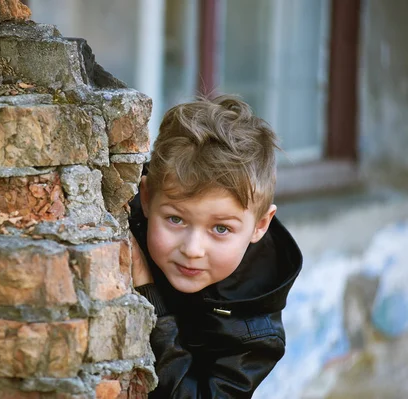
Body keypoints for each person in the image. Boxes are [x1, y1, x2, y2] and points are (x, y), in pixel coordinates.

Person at [129, 95, 302, 398]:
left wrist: (148, 296)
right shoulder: (121, 217)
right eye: (175, 219)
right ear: (146, 198)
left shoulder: (256, 331)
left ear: (260, 225)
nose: (193, 249)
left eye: (221, 228)